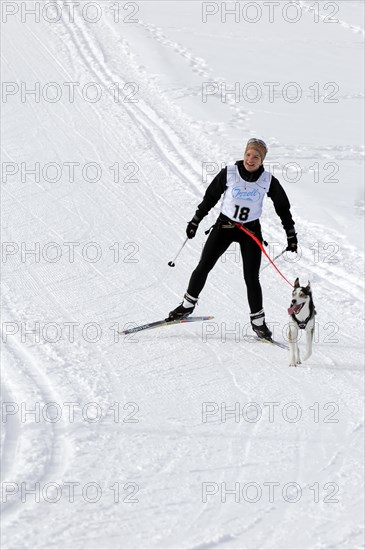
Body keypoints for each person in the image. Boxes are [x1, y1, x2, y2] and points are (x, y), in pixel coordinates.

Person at [167, 138, 298, 339]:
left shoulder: (268, 180)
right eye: (248, 154)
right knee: (204, 266)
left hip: (251, 232)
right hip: (224, 227)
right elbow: (210, 198)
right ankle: (186, 306)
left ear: (262, 160)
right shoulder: (229, 173)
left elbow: (283, 208)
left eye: (256, 156)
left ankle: (258, 323)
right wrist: (195, 220)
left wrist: (291, 234)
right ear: (244, 154)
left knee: (251, 277)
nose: (251, 159)